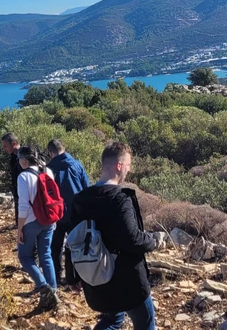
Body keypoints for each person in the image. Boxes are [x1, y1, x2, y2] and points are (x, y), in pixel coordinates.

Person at [71, 141, 157, 330]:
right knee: (146, 323)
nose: (129, 169)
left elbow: (73, 239)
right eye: (128, 164)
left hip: (96, 280)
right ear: (119, 166)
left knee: (112, 320)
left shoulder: (80, 199)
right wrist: (152, 241)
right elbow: (132, 239)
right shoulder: (120, 198)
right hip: (128, 282)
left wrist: (72, 275)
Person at [16, 145, 59, 312]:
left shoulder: (23, 176)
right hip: (48, 220)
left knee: (25, 256)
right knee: (46, 255)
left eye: (19, 159)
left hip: (31, 222)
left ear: (24, 160)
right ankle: (53, 291)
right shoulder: (48, 171)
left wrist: (19, 229)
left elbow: (23, 206)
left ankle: (43, 287)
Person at [46, 139, 90, 290]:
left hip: (56, 215)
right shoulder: (77, 165)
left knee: (55, 246)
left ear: (50, 152)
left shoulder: (49, 170)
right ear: (63, 148)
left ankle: (56, 277)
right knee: (75, 246)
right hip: (76, 213)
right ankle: (76, 278)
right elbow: (86, 189)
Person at [1, 132, 21, 227]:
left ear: (14, 144)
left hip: (25, 195)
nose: (4, 149)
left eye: (5, 146)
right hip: (17, 192)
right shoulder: (13, 156)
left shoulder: (24, 156)